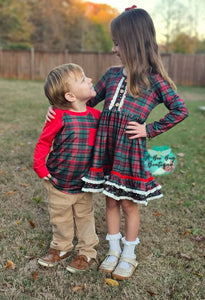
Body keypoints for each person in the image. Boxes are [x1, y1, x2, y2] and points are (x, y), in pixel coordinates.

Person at [46, 7, 188, 280]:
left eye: (117, 43)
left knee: (128, 204)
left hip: (129, 151)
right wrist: (57, 107)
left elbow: (180, 110)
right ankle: (112, 250)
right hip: (106, 149)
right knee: (110, 201)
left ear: (132, 43)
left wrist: (149, 129)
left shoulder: (154, 80)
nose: (113, 49)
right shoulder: (112, 75)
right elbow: (82, 100)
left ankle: (129, 254)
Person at [33, 63, 100, 273]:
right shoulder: (59, 117)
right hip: (58, 180)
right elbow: (44, 143)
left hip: (84, 182)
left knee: (85, 216)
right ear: (70, 96)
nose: (89, 80)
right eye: (83, 79)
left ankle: (87, 251)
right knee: (60, 216)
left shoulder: (96, 117)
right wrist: (41, 169)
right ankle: (60, 247)